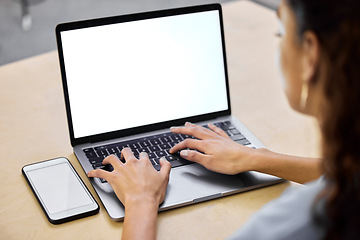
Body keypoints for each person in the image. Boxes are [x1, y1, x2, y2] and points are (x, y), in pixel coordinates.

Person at [87, 0, 360, 239]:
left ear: (310, 54)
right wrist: (257, 158)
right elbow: (347, 174)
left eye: (282, 33)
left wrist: (141, 200)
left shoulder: (301, 221)